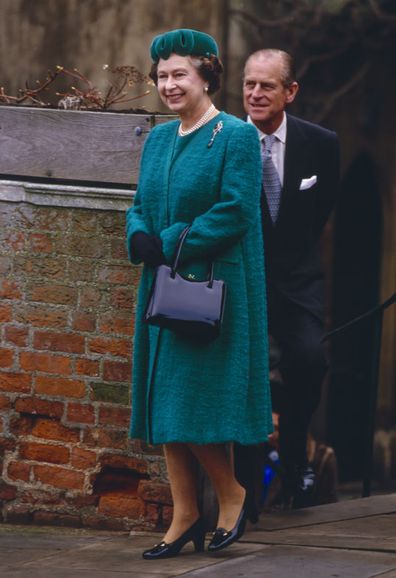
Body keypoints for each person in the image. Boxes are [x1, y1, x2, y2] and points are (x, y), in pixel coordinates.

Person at [125, 29, 272, 559]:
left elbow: (235, 211)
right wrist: (137, 233)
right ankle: (185, 515)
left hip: (210, 286)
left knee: (191, 400)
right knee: (166, 401)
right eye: (162, 76)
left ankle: (231, 492)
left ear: (205, 74)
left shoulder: (235, 136)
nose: (169, 84)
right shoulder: (161, 137)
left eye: (179, 74)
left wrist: (165, 243)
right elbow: (140, 201)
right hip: (163, 282)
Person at [239, 48, 340, 508]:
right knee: (245, 373)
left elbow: (320, 212)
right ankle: (246, 481)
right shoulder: (224, 139)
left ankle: (296, 457)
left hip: (298, 280)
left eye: (267, 86)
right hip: (240, 279)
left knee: (309, 359)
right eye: (249, 84)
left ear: (290, 92)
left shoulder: (321, 143)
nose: (256, 94)